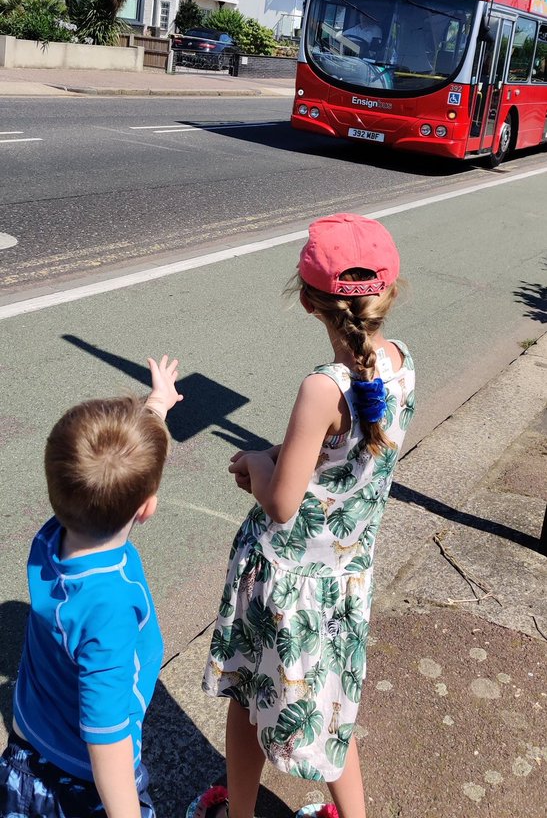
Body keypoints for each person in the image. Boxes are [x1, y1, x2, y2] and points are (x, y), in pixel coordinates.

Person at [198, 214, 415, 818]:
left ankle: (238, 813)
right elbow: (342, 460)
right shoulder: (401, 363)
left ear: (307, 302)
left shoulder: (324, 386)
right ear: (390, 293)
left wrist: (257, 466)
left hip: (286, 580)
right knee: (336, 709)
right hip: (345, 576)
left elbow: (284, 503)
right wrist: (278, 456)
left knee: (247, 698)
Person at [0, 355, 182, 818]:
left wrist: (157, 407)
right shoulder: (110, 609)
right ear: (147, 508)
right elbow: (108, 746)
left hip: (28, 741)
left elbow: (110, 473)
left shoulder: (52, 538)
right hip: (77, 782)